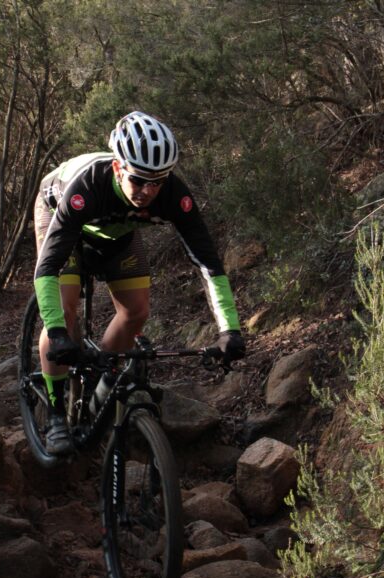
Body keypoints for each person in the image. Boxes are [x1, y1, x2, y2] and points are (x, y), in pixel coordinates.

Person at [32, 110, 245, 455]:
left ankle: (102, 381)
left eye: (157, 182)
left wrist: (229, 329)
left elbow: (208, 263)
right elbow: (47, 267)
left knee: (137, 311)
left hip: (117, 231)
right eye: (139, 180)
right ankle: (56, 414)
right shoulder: (87, 187)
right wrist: (57, 331)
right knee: (65, 308)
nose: (148, 191)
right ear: (118, 168)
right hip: (60, 215)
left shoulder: (173, 195)